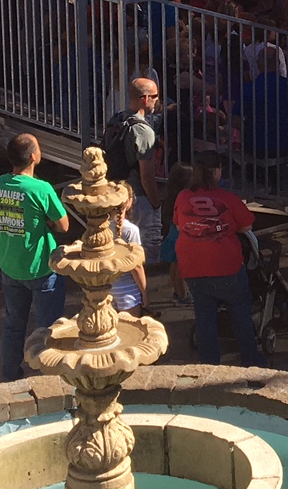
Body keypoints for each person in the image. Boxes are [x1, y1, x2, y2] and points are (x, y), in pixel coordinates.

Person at [171, 152, 266, 365]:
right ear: (216, 172)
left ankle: (209, 364)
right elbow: (247, 225)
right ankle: (251, 360)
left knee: (204, 317)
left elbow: (179, 225)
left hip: (192, 266)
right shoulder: (228, 198)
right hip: (226, 266)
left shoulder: (182, 197)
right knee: (240, 313)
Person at [0, 133, 71, 382]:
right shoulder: (41, 188)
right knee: (48, 329)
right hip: (41, 269)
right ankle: (48, 377)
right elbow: (63, 225)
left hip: (10, 266)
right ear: (34, 156)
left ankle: (9, 375)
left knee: (14, 325)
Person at [103, 77, 164, 259]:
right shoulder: (144, 132)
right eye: (155, 96)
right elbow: (147, 176)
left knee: (118, 243)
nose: (157, 100)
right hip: (139, 197)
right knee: (147, 247)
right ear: (144, 99)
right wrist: (156, 203)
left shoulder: (116, 119)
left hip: (116, 192)